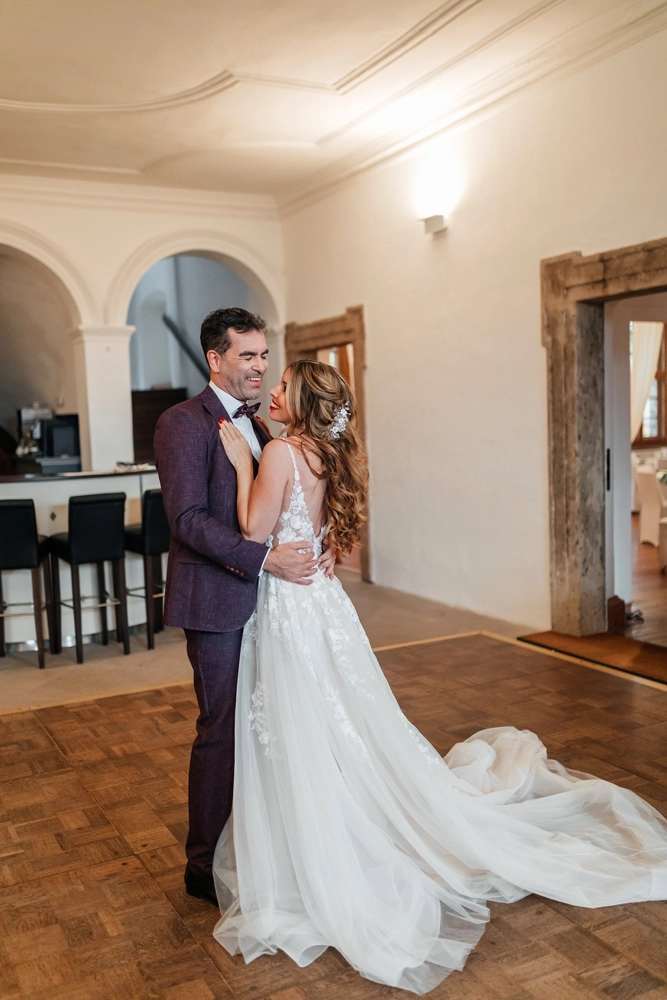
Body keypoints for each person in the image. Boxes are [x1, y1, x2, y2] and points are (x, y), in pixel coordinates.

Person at [211, 357, 667, 995]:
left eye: (283, 384)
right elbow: (321, 537)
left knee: (304, 719)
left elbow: (253, 530)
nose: (274, 391)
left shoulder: (281, 453)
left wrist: (240, 466)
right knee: (338, 716)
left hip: (290, 605)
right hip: (322, 604)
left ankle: (321, 837)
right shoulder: (328, 454)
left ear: (301, 400)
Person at [154, 308, 335, 908]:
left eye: (264, 356)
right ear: (216, 358)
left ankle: (261, 842)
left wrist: (319, 543)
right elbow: (187, 522)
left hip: (274, 606)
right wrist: (264, 562)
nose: (259, 367)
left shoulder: (265, 429)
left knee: (270, 725)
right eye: (248, 356)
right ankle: (202, 865)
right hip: (216, 601)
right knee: (222, 727)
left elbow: (284, 505)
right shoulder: (182, 423)